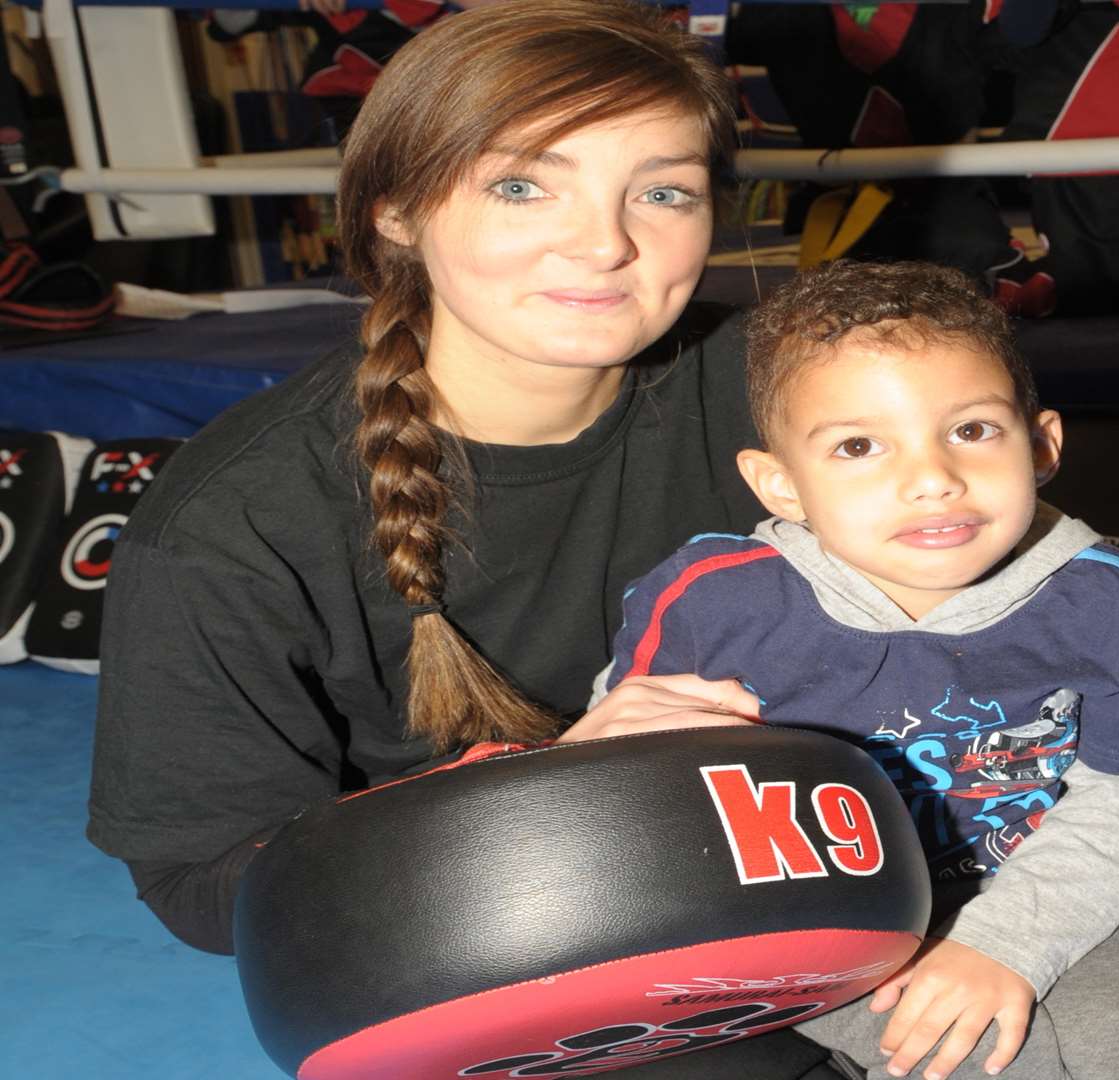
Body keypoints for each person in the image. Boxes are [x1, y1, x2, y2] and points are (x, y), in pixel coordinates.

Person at [85, 0, 773, 956]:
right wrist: (554, 796)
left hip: (791, 863)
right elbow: (202, 883)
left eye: (663, 193)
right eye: (524, 187)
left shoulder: (788, 391)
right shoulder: (237, 524)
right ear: (397, 212)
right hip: (482, 931)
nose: (606, 244)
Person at [587, 259, 1119, 1080]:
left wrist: (1007, 944)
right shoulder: (709, 602)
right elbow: (614, 780)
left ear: (1041, 446)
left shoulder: (1107, 602)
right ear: (781, 483)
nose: (931, 480)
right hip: (812, 921)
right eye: (858, 446)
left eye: (972, 430)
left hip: (1028, 894)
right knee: (973, 1061)